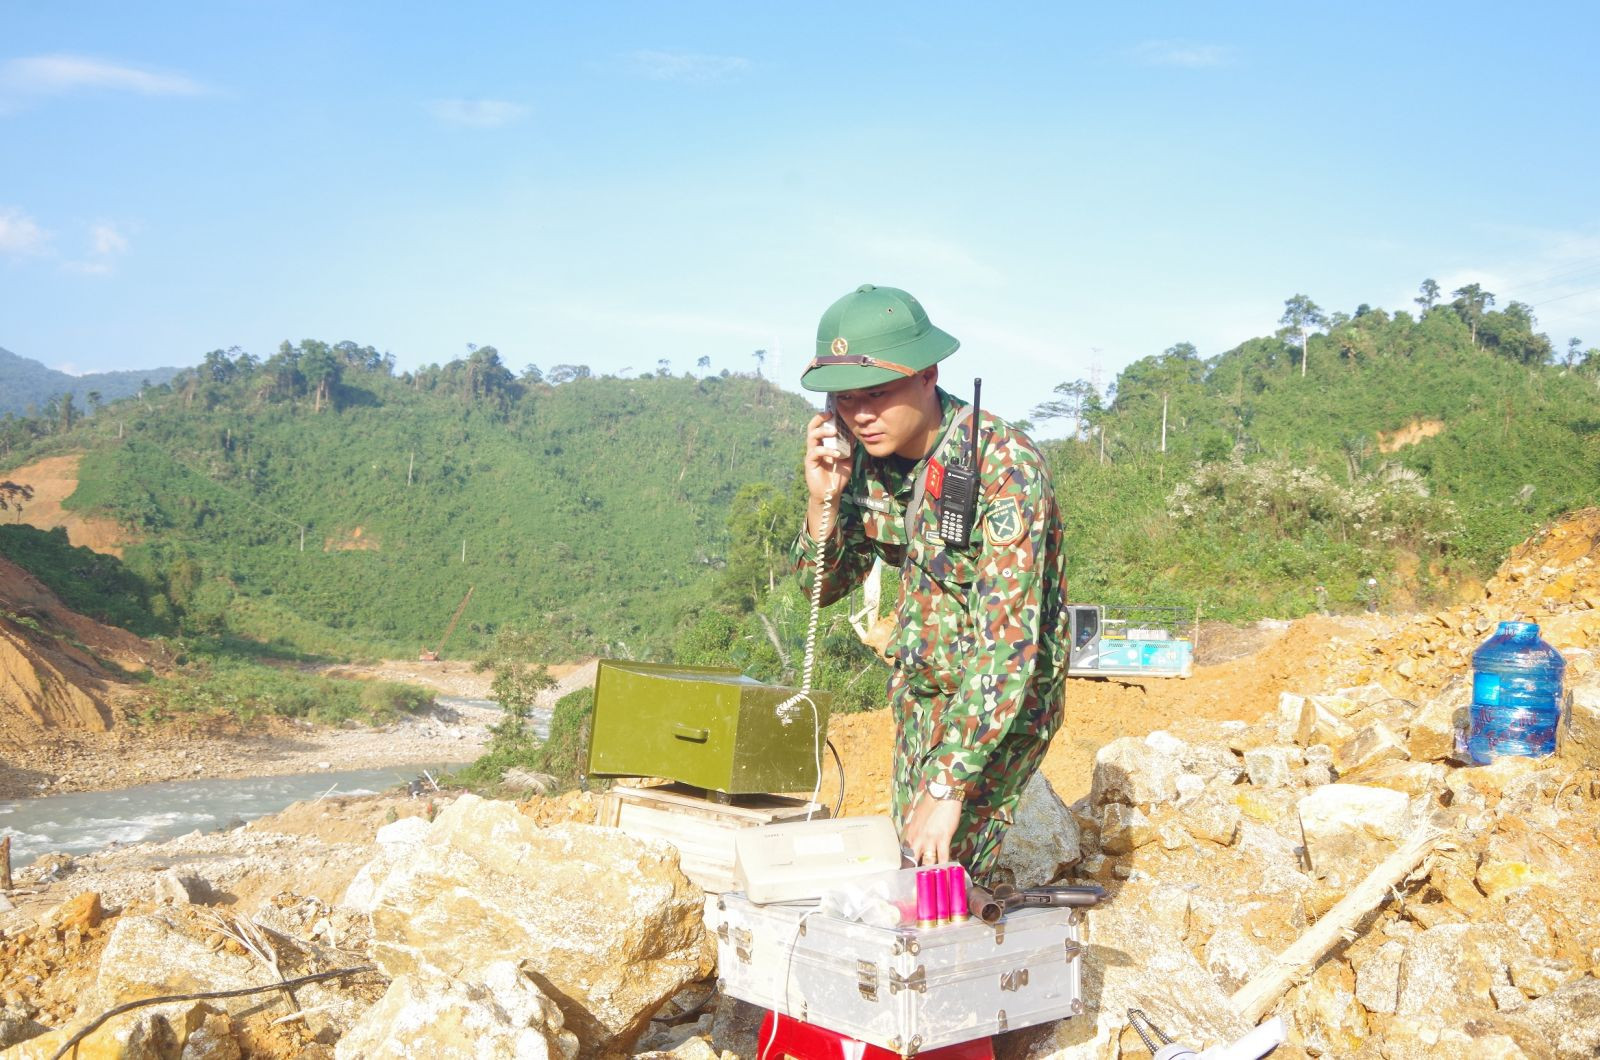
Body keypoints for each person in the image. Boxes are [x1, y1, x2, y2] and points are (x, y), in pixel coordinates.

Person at [791, 283, 1070, 885]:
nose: (859, 415)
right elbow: (828, 585)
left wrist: (949, 784)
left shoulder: (1002, 467)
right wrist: (822, 502)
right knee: (912, 871)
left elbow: (1008, 644)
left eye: (877, 394)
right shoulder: (858, 459)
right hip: (922, 695)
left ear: (928, 374)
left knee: (938, 874)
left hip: (1000, 704)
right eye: (843, 400)